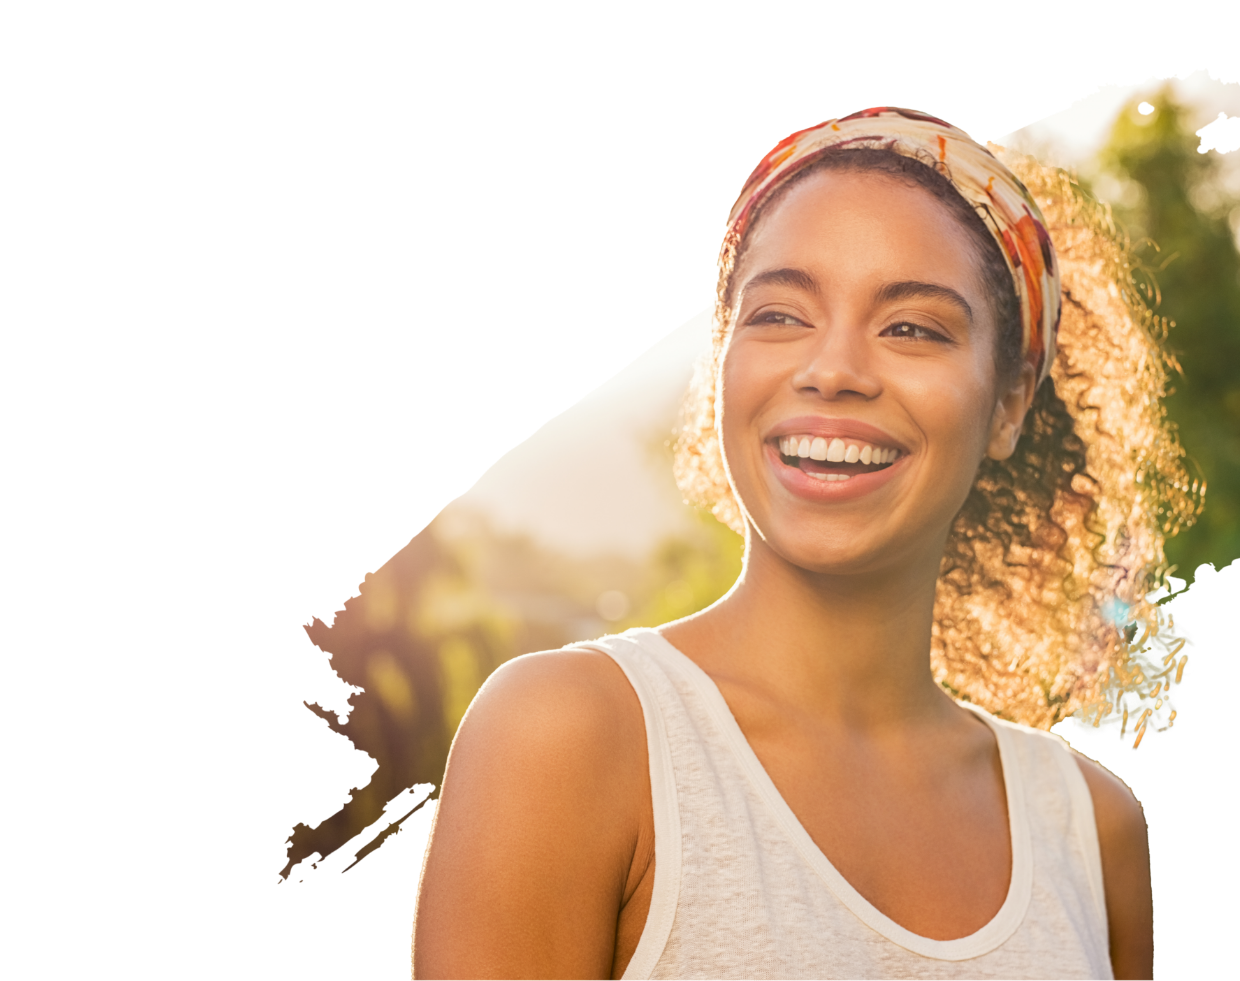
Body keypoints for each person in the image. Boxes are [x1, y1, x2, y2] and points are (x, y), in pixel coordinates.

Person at [412, 108, 1199, 980]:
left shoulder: (1092, 830)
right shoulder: (569, 736)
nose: (832, 370)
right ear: (724, 360)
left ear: (1009, 401)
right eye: (780, 314)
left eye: (912, 328)